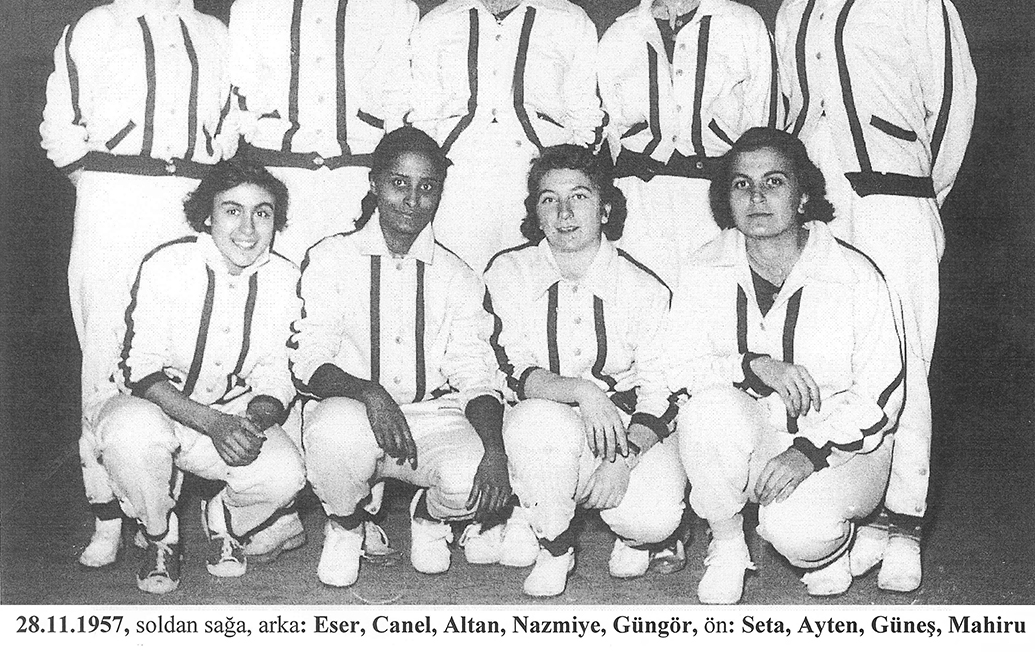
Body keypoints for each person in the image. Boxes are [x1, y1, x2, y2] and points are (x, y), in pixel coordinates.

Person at [774, 0, 976, 591]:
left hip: (894, 203)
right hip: (821, 212)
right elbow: (787, 114)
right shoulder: (793, 6)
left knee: (905, 361)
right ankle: (851, 520)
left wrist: (916, 194)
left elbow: (951, 106)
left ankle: (903, 524)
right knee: (834, 360)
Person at [39, 0, 238, 570]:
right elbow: (60, 132)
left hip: (191, 203)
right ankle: (106, 511)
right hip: (112, 201)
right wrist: (108, 188)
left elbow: (229, 132)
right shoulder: (93, 28)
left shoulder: (217, 36)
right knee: (106, 354)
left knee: (187, 345)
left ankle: (184, 505)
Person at [669, 128, 906, 603]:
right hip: (755, 438)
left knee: (798, 533)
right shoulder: (702, 268)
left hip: (843, 449)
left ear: (802, 196)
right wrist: (751, 366)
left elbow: (883, 395)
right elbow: (676, 368)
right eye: (741, 184)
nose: (756, 197)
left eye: (773, 182)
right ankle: (728, 545)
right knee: (705, 411)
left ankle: (831, 547)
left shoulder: (855, 274)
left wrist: (810, 452)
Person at [288, 127, 512, 588]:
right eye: (399, 183)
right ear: (374, 183)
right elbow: (309, 357)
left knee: (475, 474)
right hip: (355, 409)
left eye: (427, 186)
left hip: (432, 414)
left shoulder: (457, 275)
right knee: (334, 434)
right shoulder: (332, 257)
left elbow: (475, 372)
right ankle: (347, 525)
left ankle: (429, 517)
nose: (412, 200)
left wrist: (494, 449)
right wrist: (369, 392)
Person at [92, 159, 305, 594]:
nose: (248, 228)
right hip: (157, 410)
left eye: (262, 213)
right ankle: (159, 533)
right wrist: (214, 424)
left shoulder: (286, 279)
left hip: (229, 416)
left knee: (285, 473)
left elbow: (276, 373)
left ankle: (223, 516)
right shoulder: (169, 263)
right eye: (232, 210)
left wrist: (252, 423)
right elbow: (139, 368)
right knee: (130, 436)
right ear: (207, 215)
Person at [484, 145, 685, 597]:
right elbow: (507, 367)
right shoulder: (509, 271)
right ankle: (553, 542)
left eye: (579, 196)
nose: (564, 213)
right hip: (545, 420)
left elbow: (664, 389)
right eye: (549, 199)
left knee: (651, 519)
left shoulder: (644, 288)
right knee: (537, 422)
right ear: (535, 212)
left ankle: (629, 535)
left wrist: (623, 458)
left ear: (605, 208)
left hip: (626, 427)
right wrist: (581, 391)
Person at [229, 0, 419, 265]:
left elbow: (400, 109)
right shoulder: (254, 4)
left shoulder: (390, 5)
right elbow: (240, 110)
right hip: (275, 191)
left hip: (357, 192)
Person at [410, 0, 603, 273]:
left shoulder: (570, 21)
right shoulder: (437, 24)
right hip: (459, 194)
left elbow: (586, 123)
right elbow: (422, 120)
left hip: (538, 193)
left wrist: (559, 188)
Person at [599, 0, 780, 290]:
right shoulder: (618, 35)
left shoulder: (743, 25)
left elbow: (762, 127)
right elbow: (609, 137)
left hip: (714, 202)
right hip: (639, 203)